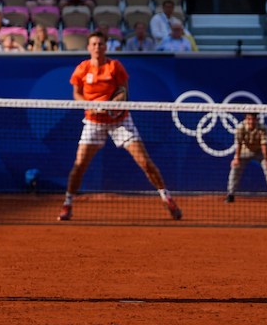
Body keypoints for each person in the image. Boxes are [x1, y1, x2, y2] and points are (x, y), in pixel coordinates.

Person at [58, 32, 181, 221]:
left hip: (120, 121)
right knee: (79, 165)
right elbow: (77, 94)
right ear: (89, 47)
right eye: (94, 44)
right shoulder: (82, 68)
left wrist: (111, 107)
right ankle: (67, 204)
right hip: (93, 122)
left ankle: (167, 197)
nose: (97, 47)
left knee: (145, 162)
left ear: (105, 47)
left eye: (100, 44)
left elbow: (124, 91)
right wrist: (91, 106)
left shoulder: (114, 67)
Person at [225, 112, 267, 203]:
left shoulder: (263, 128)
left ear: (257, 120)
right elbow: (238, 144)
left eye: (253, 119)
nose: (251, 122)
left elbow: (264, 146)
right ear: (246, 119)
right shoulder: (240, 127)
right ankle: (230, 195)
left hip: (259, 151)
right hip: (245, 150)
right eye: (249, 119)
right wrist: (236, 158)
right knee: (235, 167)